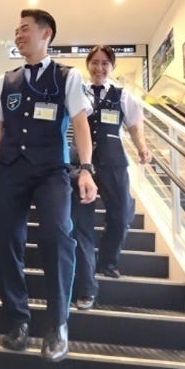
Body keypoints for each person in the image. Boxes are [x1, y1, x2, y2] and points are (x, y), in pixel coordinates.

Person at [0, 9, 97, 362]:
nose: (19, 35)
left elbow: (80, 123)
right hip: (11, 170)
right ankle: (17, 320)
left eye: (25, 29)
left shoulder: (67, 76)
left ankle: (58, 324)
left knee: (57, 236)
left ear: (46, 34)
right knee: (5, 241)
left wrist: (86, 169)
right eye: (16, 30)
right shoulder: (7, 80)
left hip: (51, 171)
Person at [71, 45, 151, 311]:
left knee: (122, 215)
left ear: (112, 67)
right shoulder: (78, 91)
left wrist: (142, 147)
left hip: (114, 162)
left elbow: (134, 125)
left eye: (105, 63)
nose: (99, 68)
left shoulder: (122, 95)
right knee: (81, 224)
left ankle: (107, 261)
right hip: (82, 163)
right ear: (88, 65)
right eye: (95, 62)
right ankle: (86, 279)